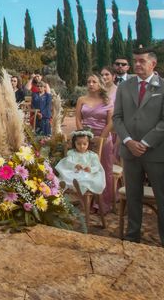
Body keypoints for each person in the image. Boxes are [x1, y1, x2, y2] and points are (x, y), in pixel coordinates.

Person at [113, 48, 164, 245]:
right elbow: (117, 117)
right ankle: (132, 237)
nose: (137, 64)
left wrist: (143, 143)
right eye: (135, 61)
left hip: (156, 153)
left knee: (161, 197)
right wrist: (128, 141)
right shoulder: (125, 87)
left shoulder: (162, 87)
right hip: (129, 152)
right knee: (133, 196)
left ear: (153, 64)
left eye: (142, 61)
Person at [75, 73, 114, 213]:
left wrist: (100, 139)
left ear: (100, 84)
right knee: (86, 170)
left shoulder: (107, 101)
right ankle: (88, 203)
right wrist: (83, 137)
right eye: (88, 81)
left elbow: (110, 122)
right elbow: (78, 119)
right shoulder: (81, 99)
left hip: (103, 139)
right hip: (85, 141)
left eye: (94, 82)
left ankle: (102, 204)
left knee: (103, 170)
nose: (90, 84)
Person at [56, 130, 105, 195]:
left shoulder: (92, 155)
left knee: (89, 180)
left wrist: (90, 169)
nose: (82, 146)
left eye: (84, 144)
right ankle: (75, 186)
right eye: (78, 144)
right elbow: (68, 161)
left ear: (88, 143)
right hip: (74, 172)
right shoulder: (72, 153)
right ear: (74, 143)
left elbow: (97, 166)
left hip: (87, 174)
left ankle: (79, 188)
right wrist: (75, 165)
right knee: (67, 177)